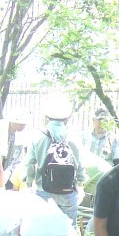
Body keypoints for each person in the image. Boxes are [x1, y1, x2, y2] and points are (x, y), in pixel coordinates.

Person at [25, 95, 87, 225]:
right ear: (67, 117)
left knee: (42, 230)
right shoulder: (74, 135)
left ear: (47, 116)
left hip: (44, 191)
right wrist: (80, 183)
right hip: (68, 192)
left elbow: (30, 164)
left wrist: (29, 184)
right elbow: (80, 163)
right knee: (69, 232)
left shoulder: (37, 135)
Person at [0, 112, 30, 190]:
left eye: (24, 125)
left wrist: (8, 172)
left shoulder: (22, 135)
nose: (23, 127)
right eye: (21, 124)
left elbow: (18, 158)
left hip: (9, 172)